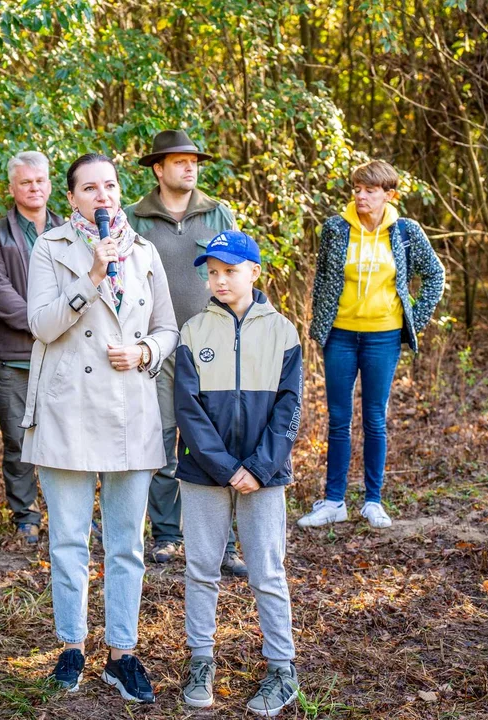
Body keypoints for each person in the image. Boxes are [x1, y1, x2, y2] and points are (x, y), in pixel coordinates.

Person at [22, 153, 178, 704]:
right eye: (90, 188)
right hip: (67, 409)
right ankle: (71, 646)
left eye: (109, 186)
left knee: (126, 545)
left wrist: (142, 351)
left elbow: (168, 328)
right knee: (67, 541)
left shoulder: (144, 250)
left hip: (130, 410)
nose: (102, 196)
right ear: (72, 198)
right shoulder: (51, 247)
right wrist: (90, 276)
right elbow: (39, 324)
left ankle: (122, 653)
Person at [173, 230, 302, 716]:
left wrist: (259, 468)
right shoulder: (192, 332)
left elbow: (290, 409)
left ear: (254, 271)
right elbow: (188, 410)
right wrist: (228, 469)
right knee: (201, 568)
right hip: (205, 473)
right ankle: (201, 660)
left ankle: (282, 667)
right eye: (212, 274)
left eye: (229, 271)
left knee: (268, 570)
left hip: (264, 475)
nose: (219, 281)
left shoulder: (282, 331)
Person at [298, 160, 445, 530]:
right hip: (341, 336)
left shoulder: (406, 232)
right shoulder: (334, 228)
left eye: (370, 190)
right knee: (338, 419)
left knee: (375, 418)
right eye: (357, 189)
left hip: (384, 336)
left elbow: (435, 275)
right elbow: (322, 282)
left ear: (389, 195)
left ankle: (373, 501)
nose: (361, 196)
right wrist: (321, 329)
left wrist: (414, 319)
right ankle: (334, 501)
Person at [125, 130, 245, 574]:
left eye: (194, 161)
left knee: (217, 441)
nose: (190, 168)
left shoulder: (218, 214)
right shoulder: (133, 218)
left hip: (211, 346)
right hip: (156, 347)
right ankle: (167, 536)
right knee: (159, 443)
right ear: (158, 168)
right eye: (179, 162)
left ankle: (224, 542)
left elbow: (241, 273)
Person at [0, 151, 62, 546]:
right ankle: (25, 513)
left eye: (40, 180)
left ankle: (65, 511)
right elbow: (1, 297)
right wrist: (50, 321)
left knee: (64, 437)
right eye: (26, 182)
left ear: (49, 184)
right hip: (13, 357)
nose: (34, 188)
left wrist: (63, 323)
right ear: (12, 189)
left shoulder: (68, 230)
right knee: (18, 439)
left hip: (62, 355)